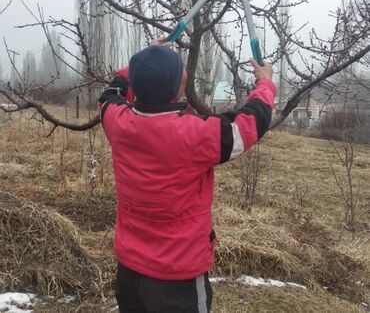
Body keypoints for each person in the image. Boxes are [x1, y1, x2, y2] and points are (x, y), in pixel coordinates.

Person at [99, 38, 275, 313]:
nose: (186, 72)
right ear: (175, 87)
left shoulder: (117, 122)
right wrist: (265, 83)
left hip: (129, 271)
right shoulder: (194, 135)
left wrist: (149, 59)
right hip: (176, 279)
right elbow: (250, 125)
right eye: (181, 70)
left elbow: (111, 92)